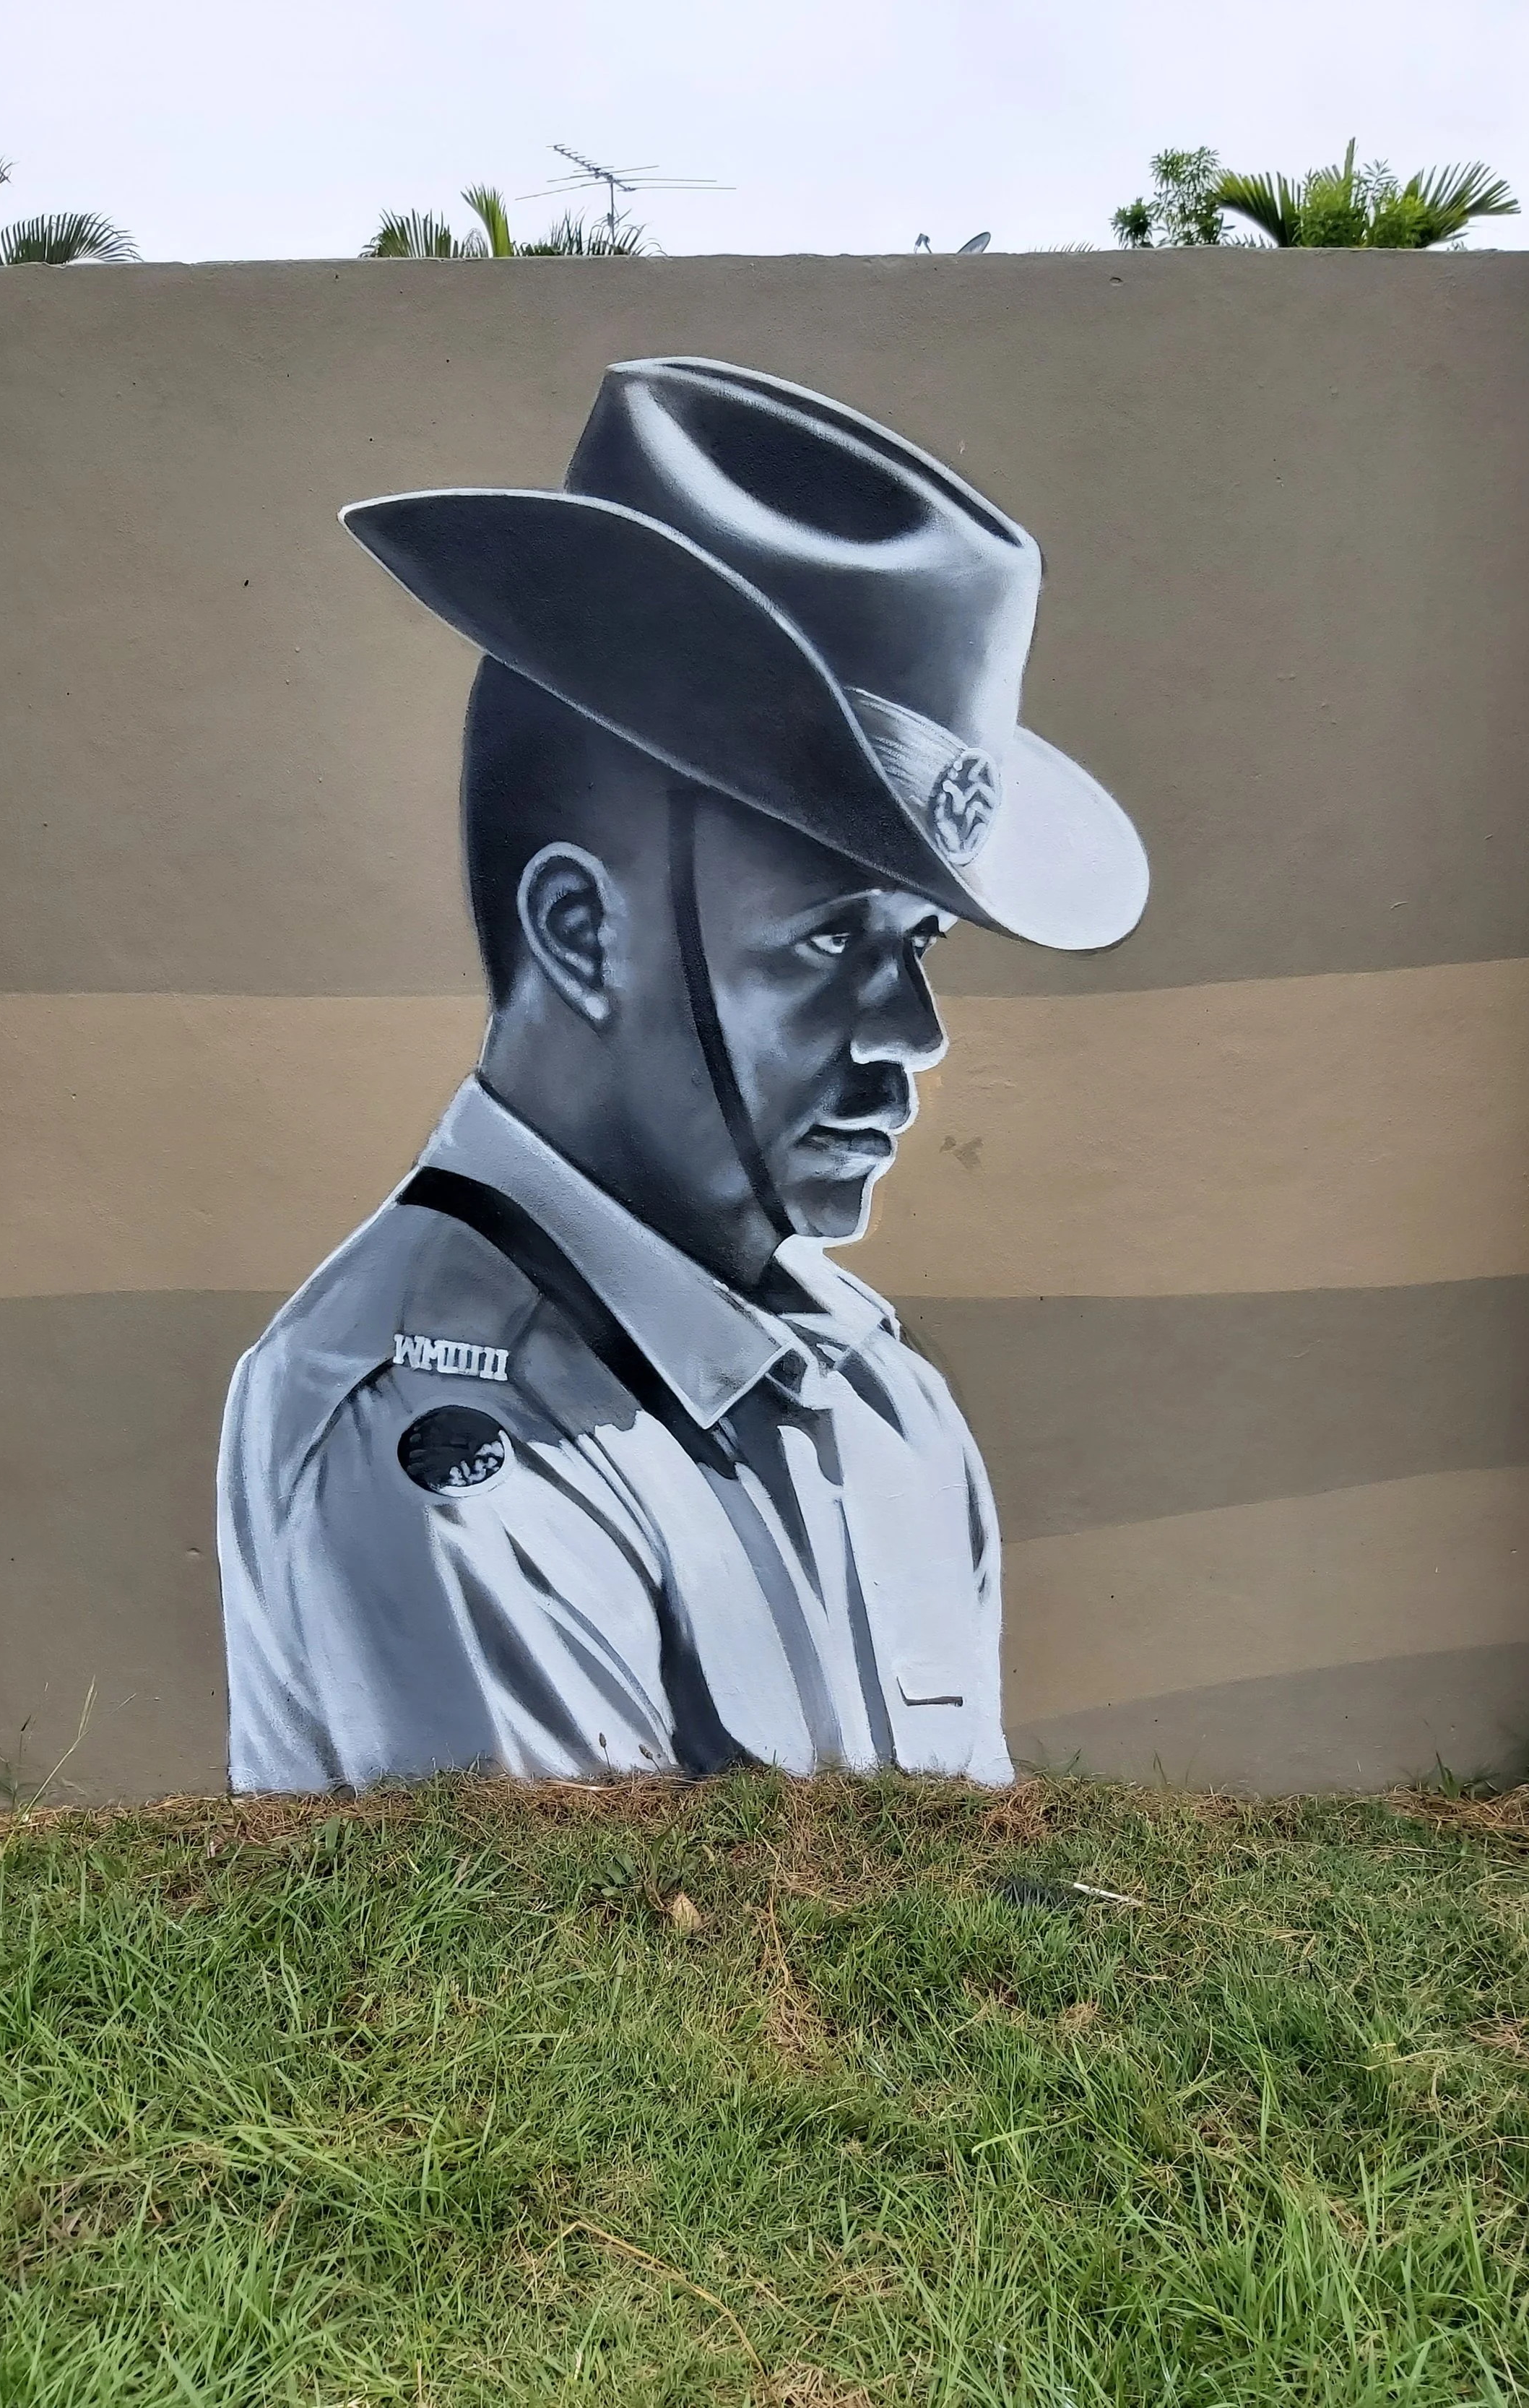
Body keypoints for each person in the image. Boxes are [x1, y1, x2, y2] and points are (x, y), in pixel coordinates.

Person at [218, 355, 1148, 1792]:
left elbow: (973, 1895)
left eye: (919, 946)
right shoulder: (443, 1434)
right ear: (579, 934)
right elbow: (610, 2000)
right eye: (828, 940)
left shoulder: (882, 1406)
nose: (912, 1033)